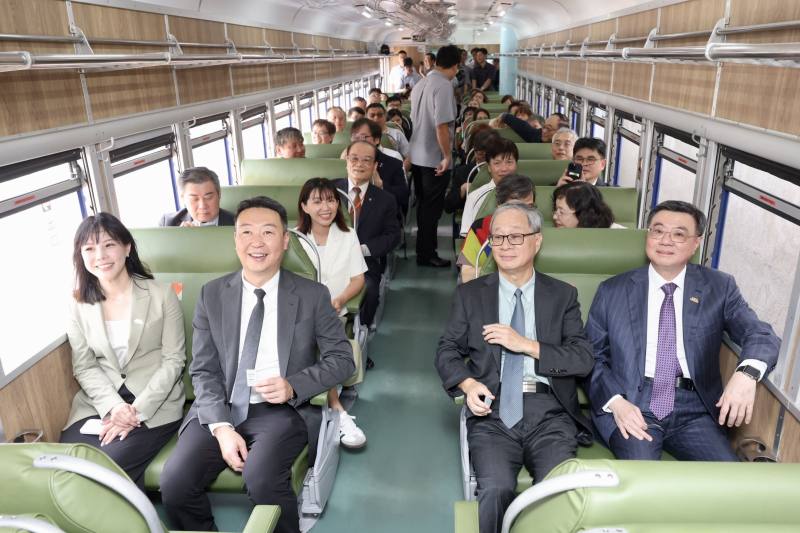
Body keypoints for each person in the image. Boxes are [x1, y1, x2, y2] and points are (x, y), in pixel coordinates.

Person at [160, 196, 355, 533]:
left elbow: (342, 360)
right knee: (175, 482)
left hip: (280, 411)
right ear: (235, 240)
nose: (257, 243)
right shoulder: (213, 294)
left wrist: (294, 384)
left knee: (262, 479)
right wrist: (221, 428)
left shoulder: (312, 295)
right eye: (246, 232)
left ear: (284, 240)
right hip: (220, 406)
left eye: (268, 232)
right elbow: (204, 370)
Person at [436, 202, 594, 533]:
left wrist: (526, 344)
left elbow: (581, 358)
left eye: (516, 237)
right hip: (492, 411)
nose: (505, 245)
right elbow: (447, 350)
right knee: (495, 490)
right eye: (498, 238)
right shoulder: (471, 295)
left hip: (550, 412)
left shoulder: (562, 295)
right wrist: (467, 384)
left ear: (537, 241)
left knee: (555, 492)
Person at [586, 200, 780, 461]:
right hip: (634, 400)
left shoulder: (719, 287)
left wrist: (746, 374)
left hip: (695, 408)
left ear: (695, 244)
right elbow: (591, 356)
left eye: (678, 234)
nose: (665, 240)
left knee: (730, 480)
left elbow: (760, 334)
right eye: (657, 231)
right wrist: (616, 402)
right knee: (642, 473)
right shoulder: (613, 290)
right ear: (648, 236)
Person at [61, 213, 185, 487]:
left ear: (127, 247)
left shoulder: (161, 294)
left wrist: (134, 412)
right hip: (99, 404)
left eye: (109, 245)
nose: (100, 256)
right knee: (68, 465)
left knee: (107, 471)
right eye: (89, 249)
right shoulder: (78, 304)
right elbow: (84, 365)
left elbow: (174, 361)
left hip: (153, 404)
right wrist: (115, 407)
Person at [297, 178, 367, 448]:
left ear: (338, 204)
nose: (325, 207)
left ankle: (336, 410)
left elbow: (358, 280)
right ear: (304, 206)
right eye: (317, 201)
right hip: (299, 314)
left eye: (330, 200)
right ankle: (335, 409)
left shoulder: (348, 235)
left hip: (333, 311)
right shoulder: (294, 239)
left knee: (318, 341)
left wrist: (339, 300)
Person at [334, 141, 400, 329]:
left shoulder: (385, 199)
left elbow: (392, 235)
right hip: (328, 258)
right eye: (354, 159)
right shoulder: (328, 191)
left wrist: (363, 250)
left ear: (374, 166)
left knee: (370, 289)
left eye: (366, 160)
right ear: (346, 161)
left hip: (364, 262)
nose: (359, 164)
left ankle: (360, 330)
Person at [409, 44, 459, 268]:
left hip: (418, 157)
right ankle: (427, 254)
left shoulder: (421, 83)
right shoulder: (444, 86)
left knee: (423, 208)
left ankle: (423, 251)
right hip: (434, 159)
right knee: (432, 210)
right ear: (456, 66)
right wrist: (447, 156)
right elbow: (441, 126)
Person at [458, 175, 536, 283]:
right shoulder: (480, 228)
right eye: (516, 206)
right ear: (500, 206)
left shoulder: (537, 230)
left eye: (529, 207)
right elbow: (466, 274)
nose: (524, 213)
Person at [348, 117, 409, 216]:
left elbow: (403, 197)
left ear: (376, 140)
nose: (359, 142)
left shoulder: (392, 164)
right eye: (355, 137)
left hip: (382, 216)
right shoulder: (346, 163)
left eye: (364, 137)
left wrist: (381, 185)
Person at [460, 138, 519, 237]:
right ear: (489, 167)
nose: (504, 169)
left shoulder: (527, 193)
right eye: (497, 163)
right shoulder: (475, 197)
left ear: (516, 164)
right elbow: (468, 236)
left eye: (509, 162)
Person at [159, 167, 235, 227]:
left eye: (208, 197)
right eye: (194, 199)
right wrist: (180, 238)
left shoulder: (237, 223)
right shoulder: (168, 223)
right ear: (183, 198)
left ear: (219, 194)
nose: (202, 206)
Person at [551, 181, 624, 229]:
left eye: (561, 212)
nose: (554, 217)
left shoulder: (619, 235)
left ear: (584, 213)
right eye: (555, 210)